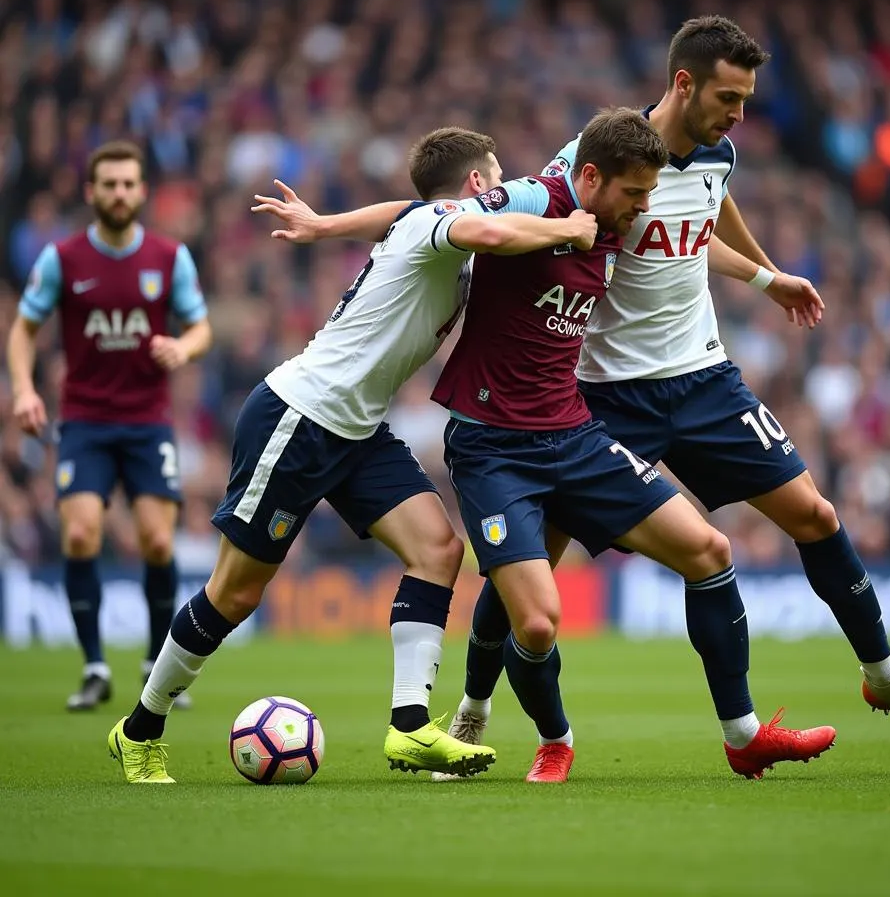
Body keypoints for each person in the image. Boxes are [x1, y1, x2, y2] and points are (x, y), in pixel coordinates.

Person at [441, 16, 890, 772]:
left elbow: (707, 206)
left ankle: (884, 675)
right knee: (533, 567)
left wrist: (766, 274)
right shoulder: (596, 163)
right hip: (604, 395)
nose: (739, 116)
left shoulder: (717, 153)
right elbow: (537, 233)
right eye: (728, 97)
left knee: (815, 514)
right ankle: (472, 709)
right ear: (683, 83)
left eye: (747, 99)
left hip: (703, 379)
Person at [106, 127, 599, 783]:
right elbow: (479, 231)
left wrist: (323, 224)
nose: (514, 191)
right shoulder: (444, 224)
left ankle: (409, 728)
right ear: (479, 185)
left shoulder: (421, 219)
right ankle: (140, 728)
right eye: (500, 177)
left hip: (358, 426)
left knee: (439, 550)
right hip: (300, 415)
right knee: (236, 592)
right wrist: (571, 229)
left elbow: (395, 212)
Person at [429, 105, 836, 784]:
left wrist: (767, 280)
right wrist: (327, 226)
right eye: (635, 194)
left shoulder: (622, 225)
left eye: (652, 193)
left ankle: (743, 736)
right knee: (534, 624)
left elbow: (700, 239)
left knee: (710, 549)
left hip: (574, 434)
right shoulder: (536, 197)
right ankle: (530, 731)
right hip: (492, 446)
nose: (646, 208)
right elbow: (439, 216)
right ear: (590, 176)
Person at [7, 140, 213, 712]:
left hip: (147, 421)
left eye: (128, 184)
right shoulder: (63, 260)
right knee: (80, 534)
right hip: (86, 421)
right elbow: (23, 331)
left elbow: (201, 326)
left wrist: (183, 346)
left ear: (142, 192)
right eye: (110, 184)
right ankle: (95, 666)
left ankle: (155, 663)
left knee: (153, 539)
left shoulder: (170, 258)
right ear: (91, 192)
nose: (119, 193)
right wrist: (24, 390)